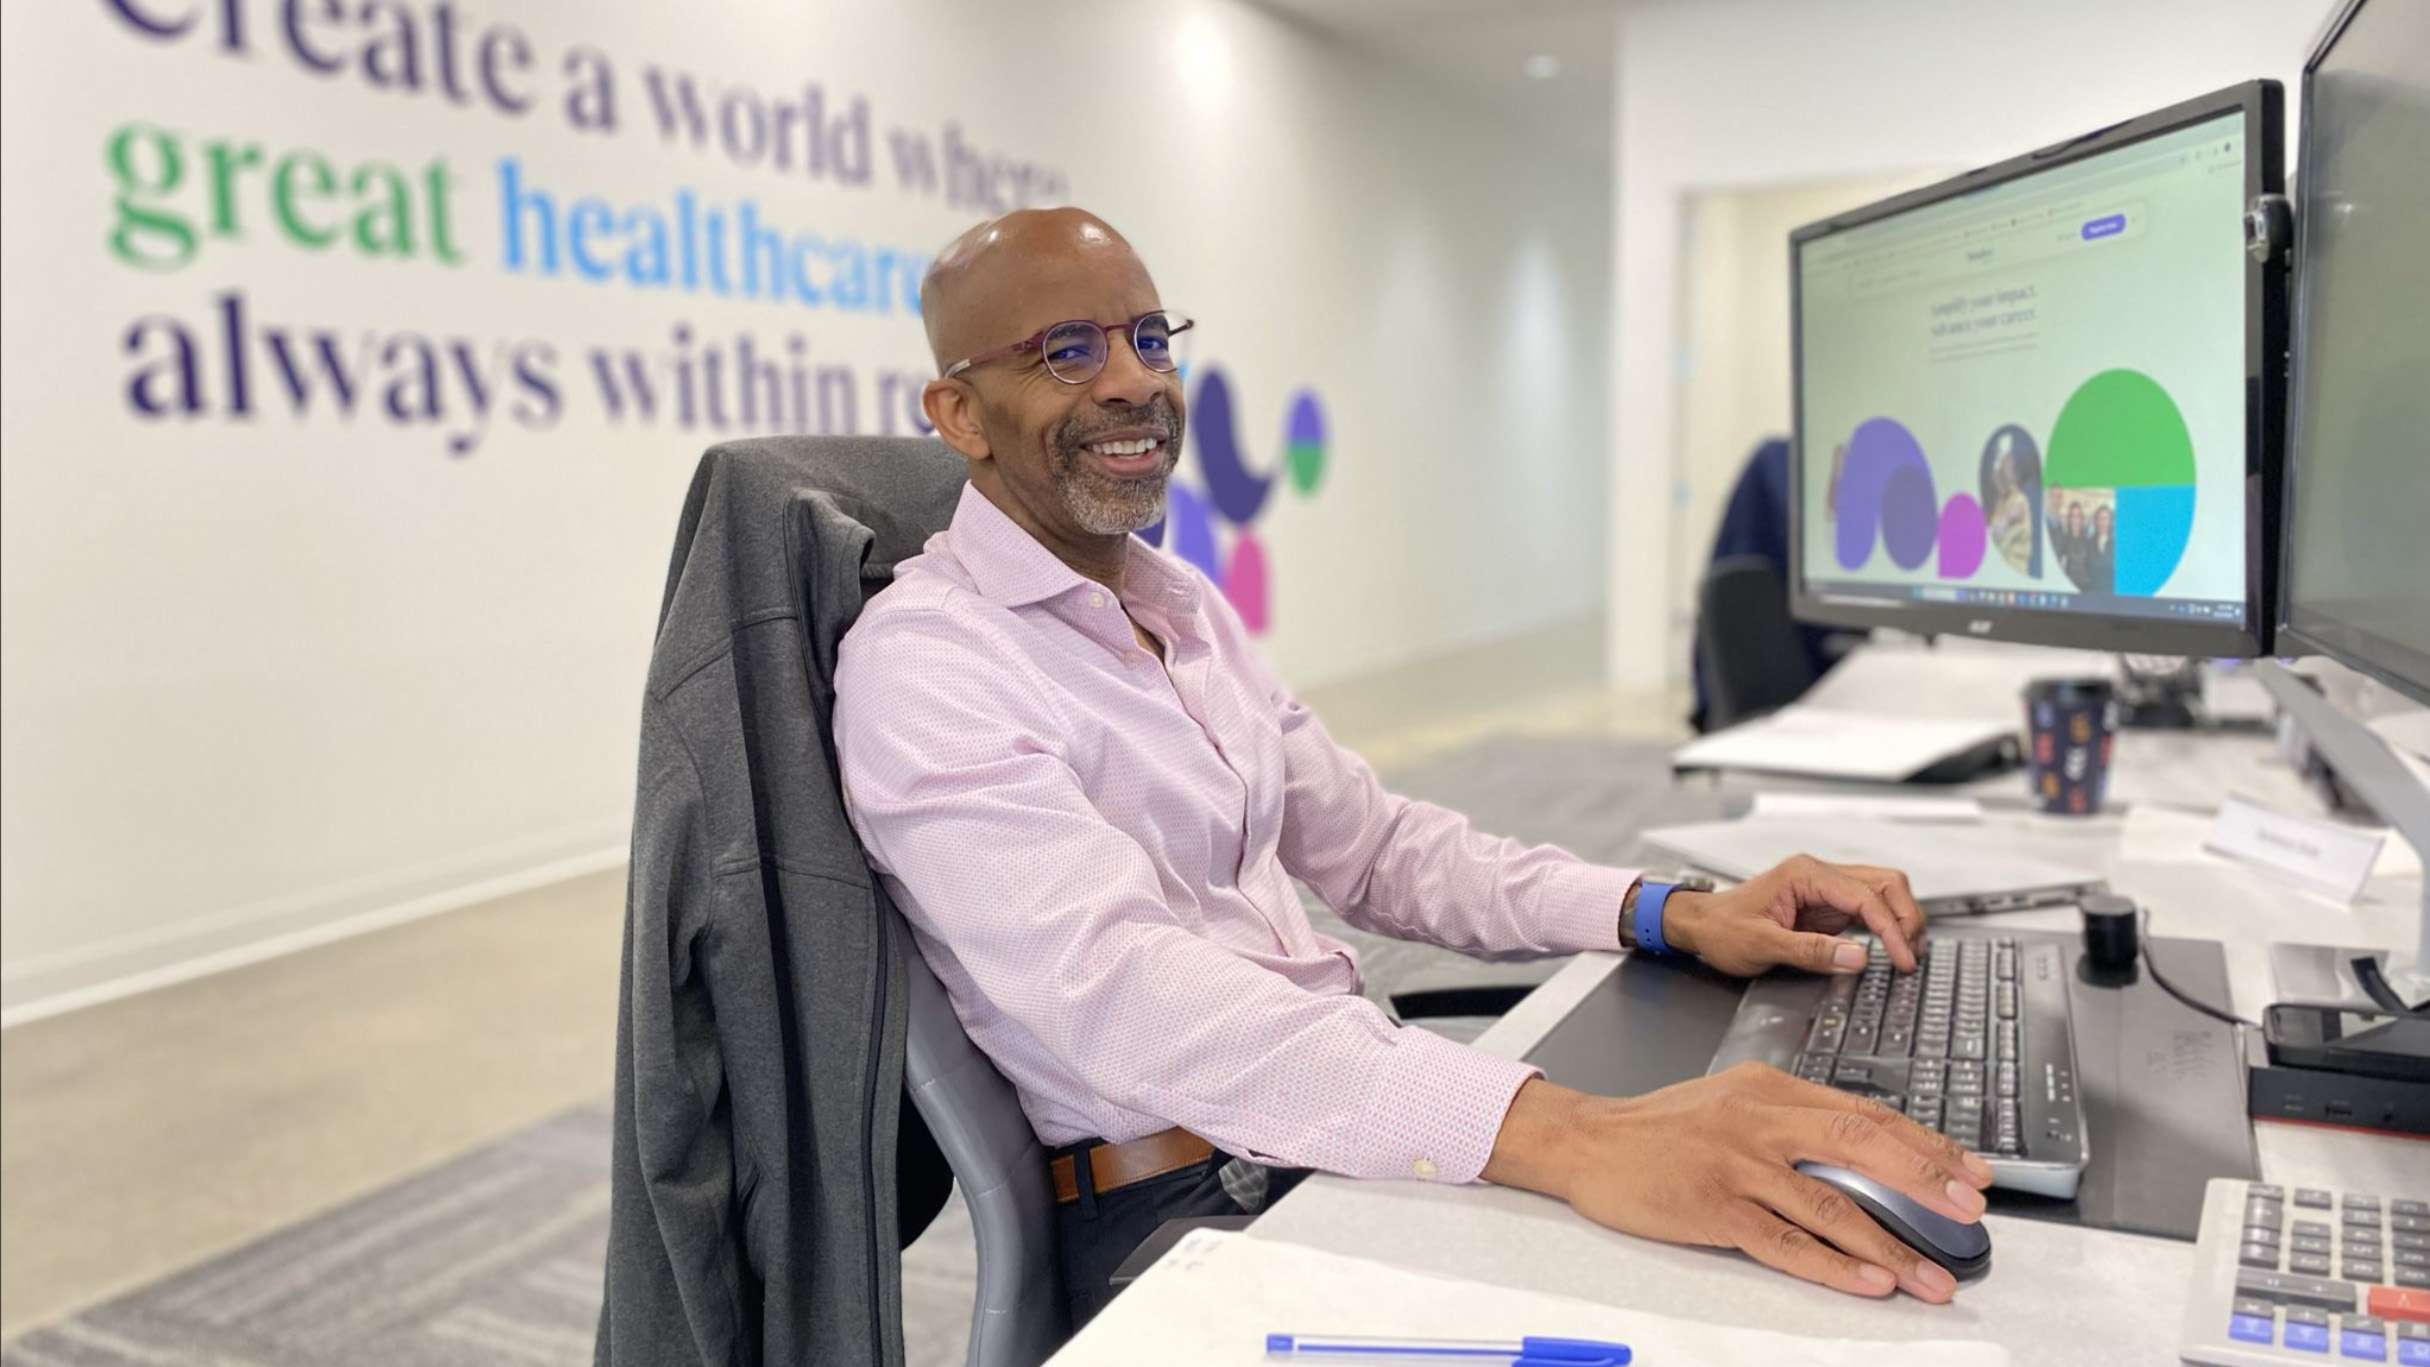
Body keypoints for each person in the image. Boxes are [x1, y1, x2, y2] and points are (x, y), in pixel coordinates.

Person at [833, 208, 1990, 1327]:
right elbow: (1126, 999)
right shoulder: (930, 661)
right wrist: (1575, 1135)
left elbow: (1377, 847)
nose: (1133, 380)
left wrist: (1669, 910)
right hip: (1186, 1204)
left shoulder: (1176, 608)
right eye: (1068, 351)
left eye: (1149, 338)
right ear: (960, 412)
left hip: (1329, 1126)